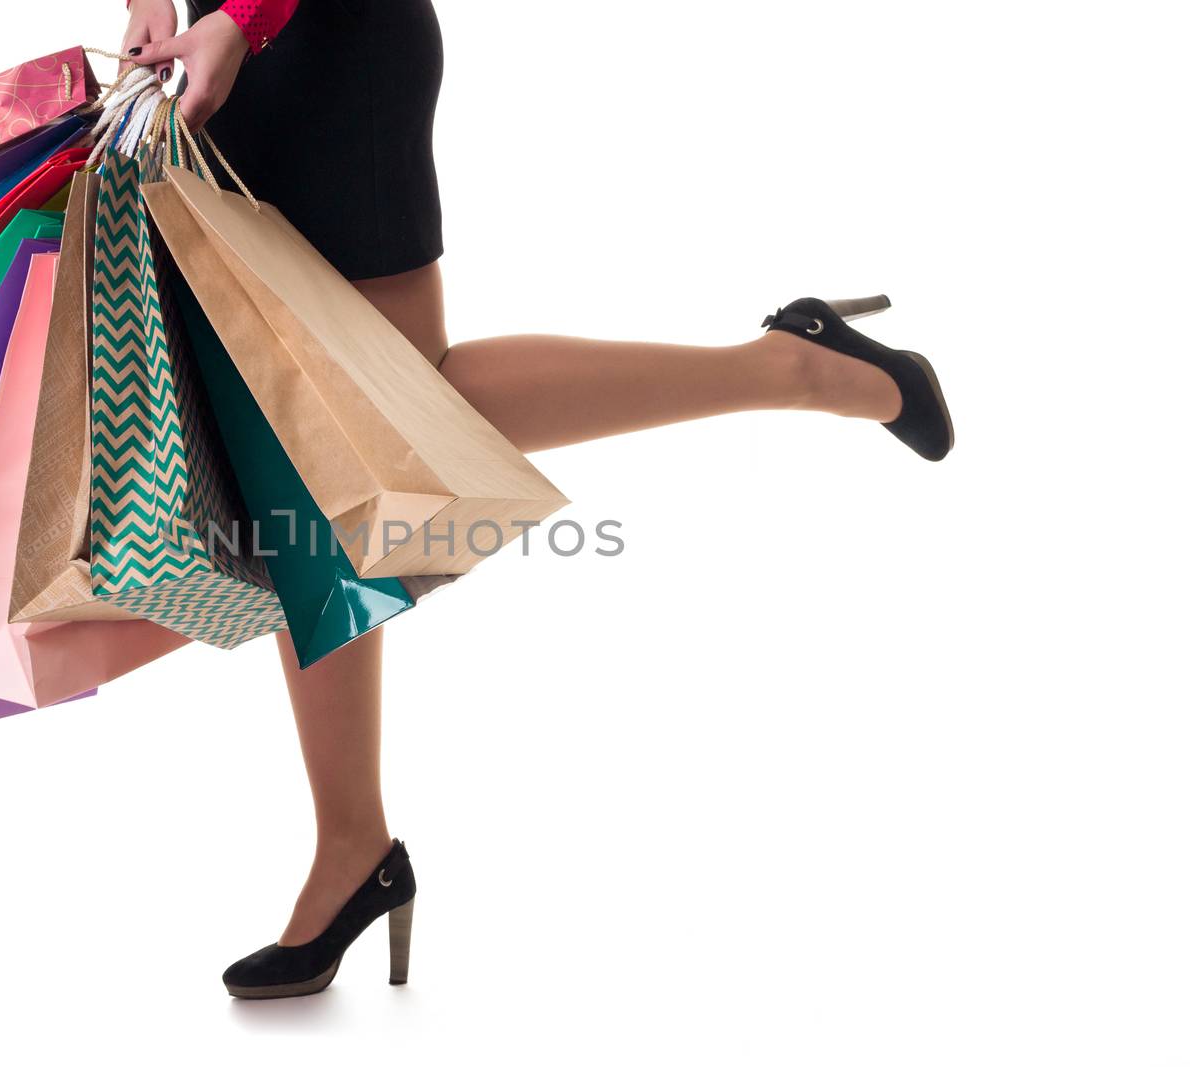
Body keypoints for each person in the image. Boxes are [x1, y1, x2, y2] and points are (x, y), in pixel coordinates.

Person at [120, 0, 953, 1000]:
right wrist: (151, 9)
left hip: (330, 45)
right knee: (311, 455)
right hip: (224, 59)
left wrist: (242, 20)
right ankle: (351, 844)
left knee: (393, 406)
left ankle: (791, 365)